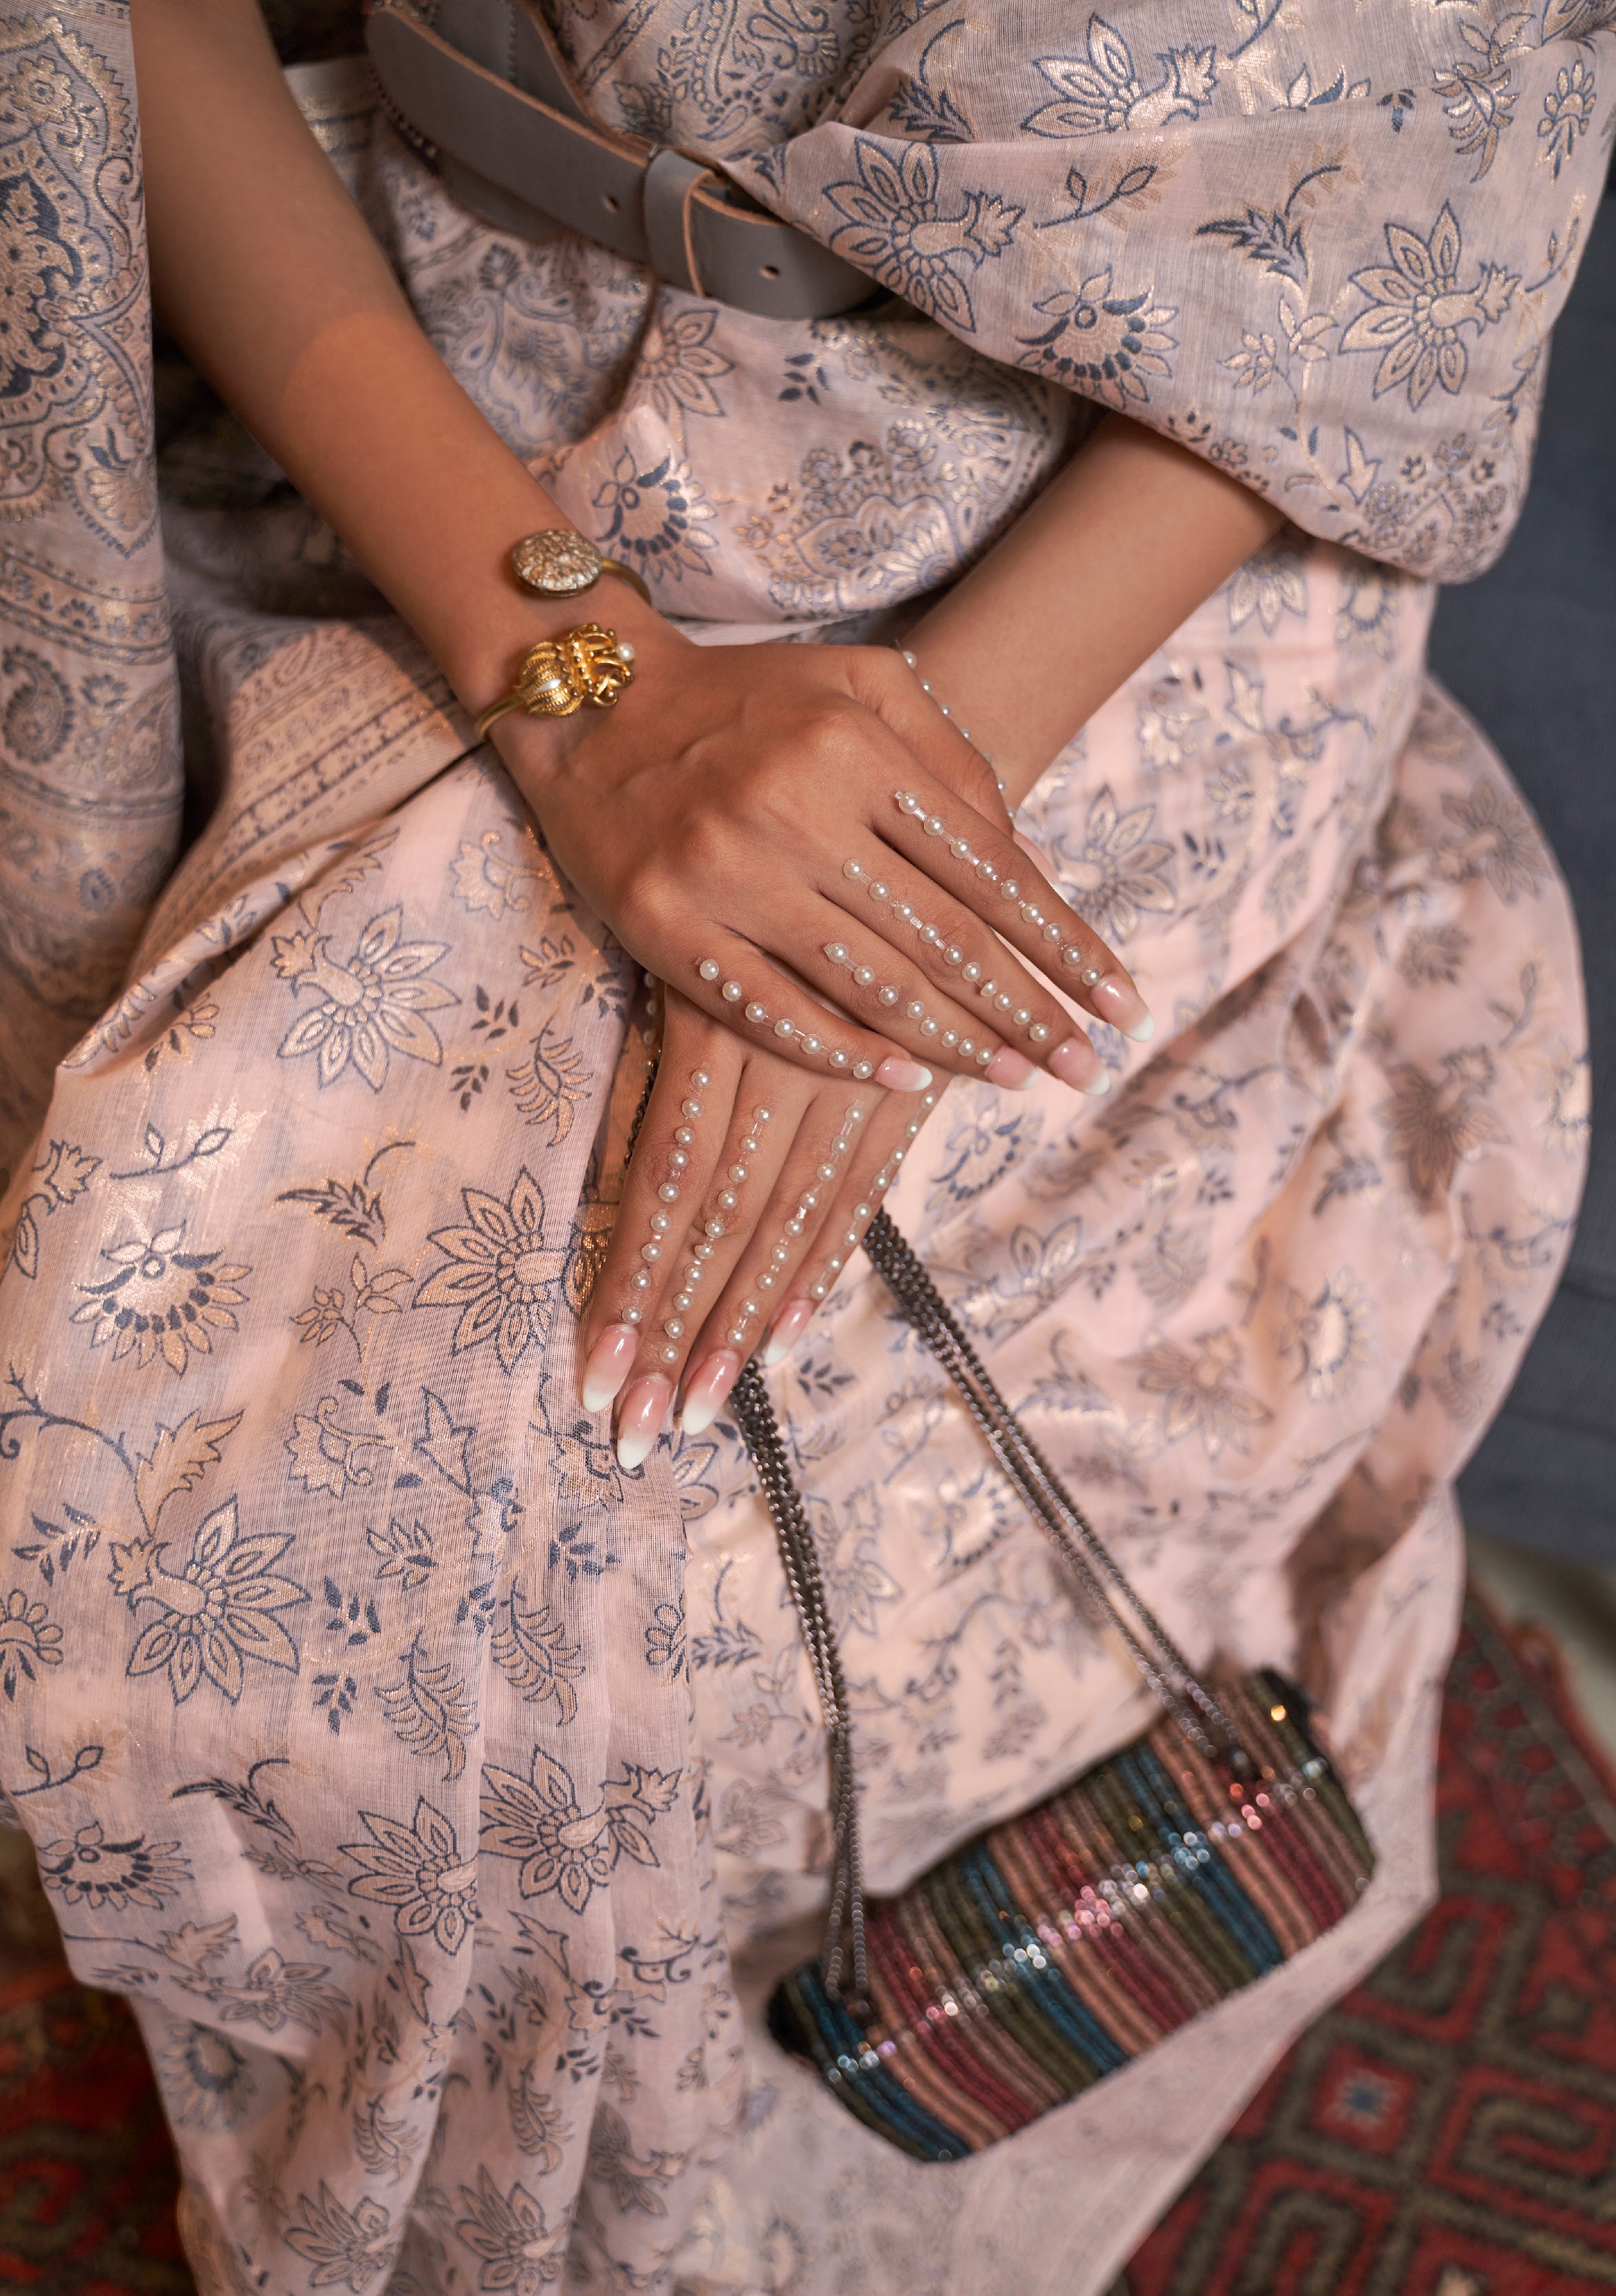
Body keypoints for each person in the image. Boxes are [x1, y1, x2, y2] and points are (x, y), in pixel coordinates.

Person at [0, 0, 1601, 2286]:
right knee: (303, 1466)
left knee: (648, 1471)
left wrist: (898, 853)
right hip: (421, 397)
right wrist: (581, 679)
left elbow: (1433, 189)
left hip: (1120, 541)